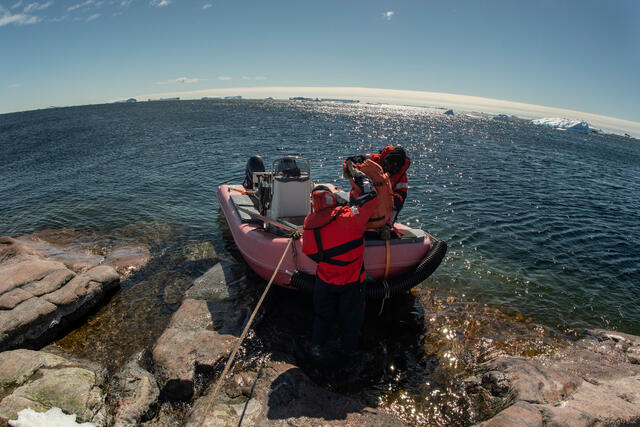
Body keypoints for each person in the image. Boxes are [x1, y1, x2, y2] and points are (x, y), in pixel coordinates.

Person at [302, 160, 386, 362]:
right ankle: (348, 354)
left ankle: (317, 349)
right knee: (351, 321)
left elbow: (308, 251)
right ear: (332, 199)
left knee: (322, 317)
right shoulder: (350, 216)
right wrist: (360, 177)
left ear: (313, 204)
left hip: (325, 281)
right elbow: (370, 196)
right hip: (352, 282)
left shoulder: (309, 222)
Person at [345, 145, 410, 224]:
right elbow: (349, 161)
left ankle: (388, 224)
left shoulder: (401, 175)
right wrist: (350, 170)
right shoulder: (373, 159)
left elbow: (402, 193)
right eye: (388, 164)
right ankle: (353, 215)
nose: (389, 168)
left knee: (398, 203)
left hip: (384, 201)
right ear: (385, 160)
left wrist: (395, 199)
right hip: (364, 192)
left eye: (394, 167)